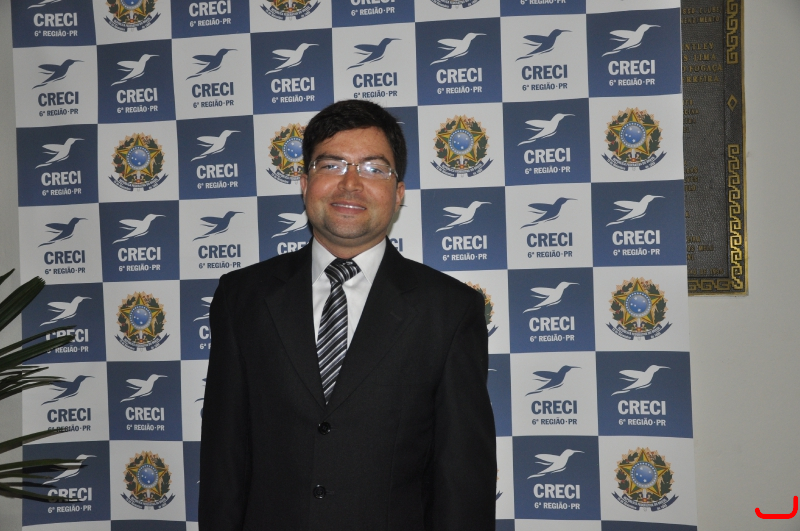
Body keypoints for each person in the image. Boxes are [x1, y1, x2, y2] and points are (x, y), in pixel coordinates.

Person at [199, 100, 496, 531]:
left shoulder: (449, 309)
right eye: (332, 165)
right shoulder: (242, 298)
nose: (351, 183)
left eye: (374, 168)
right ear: (305, 183)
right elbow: (224, 460)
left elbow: (462, 481)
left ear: (398, 193)